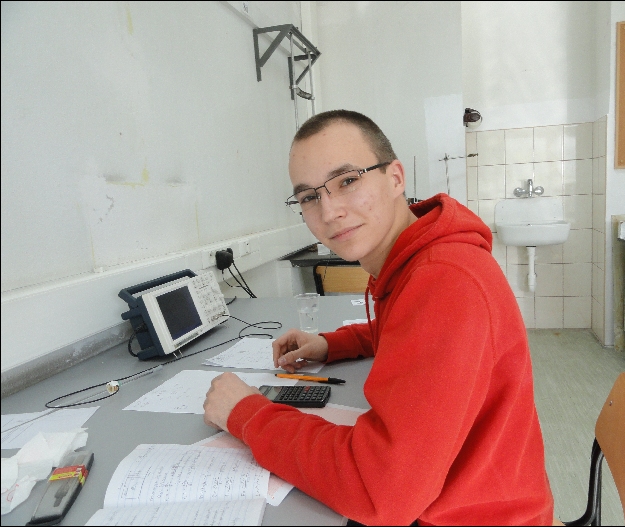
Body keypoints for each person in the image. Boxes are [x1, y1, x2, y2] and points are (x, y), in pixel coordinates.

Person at [203, 110, 554, 525]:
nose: (329, 211)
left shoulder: (445, 281)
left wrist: (247, 413)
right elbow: (406, 331)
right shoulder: (417, 257)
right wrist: (332, 344)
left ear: (395, 178)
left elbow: (382, 493)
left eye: (347, 181)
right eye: (309, 197)